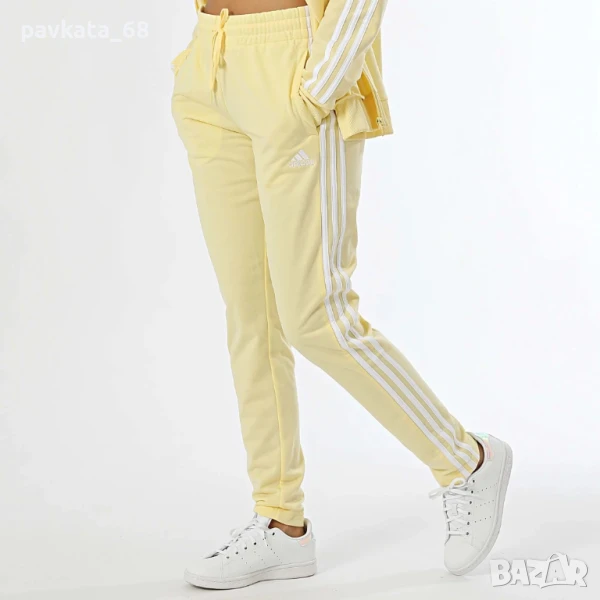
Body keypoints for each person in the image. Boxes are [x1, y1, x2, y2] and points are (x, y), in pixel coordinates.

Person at [171, 0, 512, 590]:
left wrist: (321, 82)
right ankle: (280, 522)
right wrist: (197, 61)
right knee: (252, 319)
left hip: (294, 60)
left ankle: (466, 459)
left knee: (316, 316)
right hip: (211, 64)